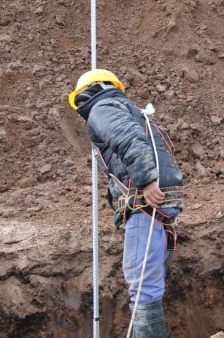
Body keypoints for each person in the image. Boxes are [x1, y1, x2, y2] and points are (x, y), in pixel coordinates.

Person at [68, 69, 184, 338]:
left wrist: (146, 180)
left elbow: (127, 138)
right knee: (149, 279)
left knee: (142, 282)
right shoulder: (130, 108)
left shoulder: (101, 108)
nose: (80, 114)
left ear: (85, 95)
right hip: (164, 197)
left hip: (146, 199)